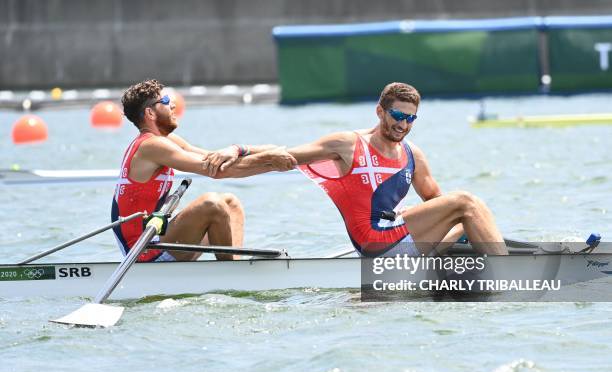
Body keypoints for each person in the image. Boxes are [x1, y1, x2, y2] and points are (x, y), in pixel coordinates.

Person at [288, 82, 507, 257]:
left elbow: (436, 202)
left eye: (410, 118)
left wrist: (410, 214)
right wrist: (251, 153)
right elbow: (285, 156)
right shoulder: (349, 144)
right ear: (380, 112)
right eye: (398, 116)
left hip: (394, 236)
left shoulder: (413, 154)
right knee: (465, 201)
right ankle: (510, 274)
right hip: (374, 244)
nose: (403, 124)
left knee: (471, 216)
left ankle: (484, 263)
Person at [112, 79, 296, 262]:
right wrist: (269, 160)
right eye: (166, 101)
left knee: (230, 203)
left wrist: (257, 150)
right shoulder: (151, 145)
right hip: (143, 251)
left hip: (157, 239)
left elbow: (212, 157)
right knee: (211, 204)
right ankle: (231, 274)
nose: (173, 105)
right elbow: (213, 169)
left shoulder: (166, 140)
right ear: (150, 113)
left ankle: (235, 265)